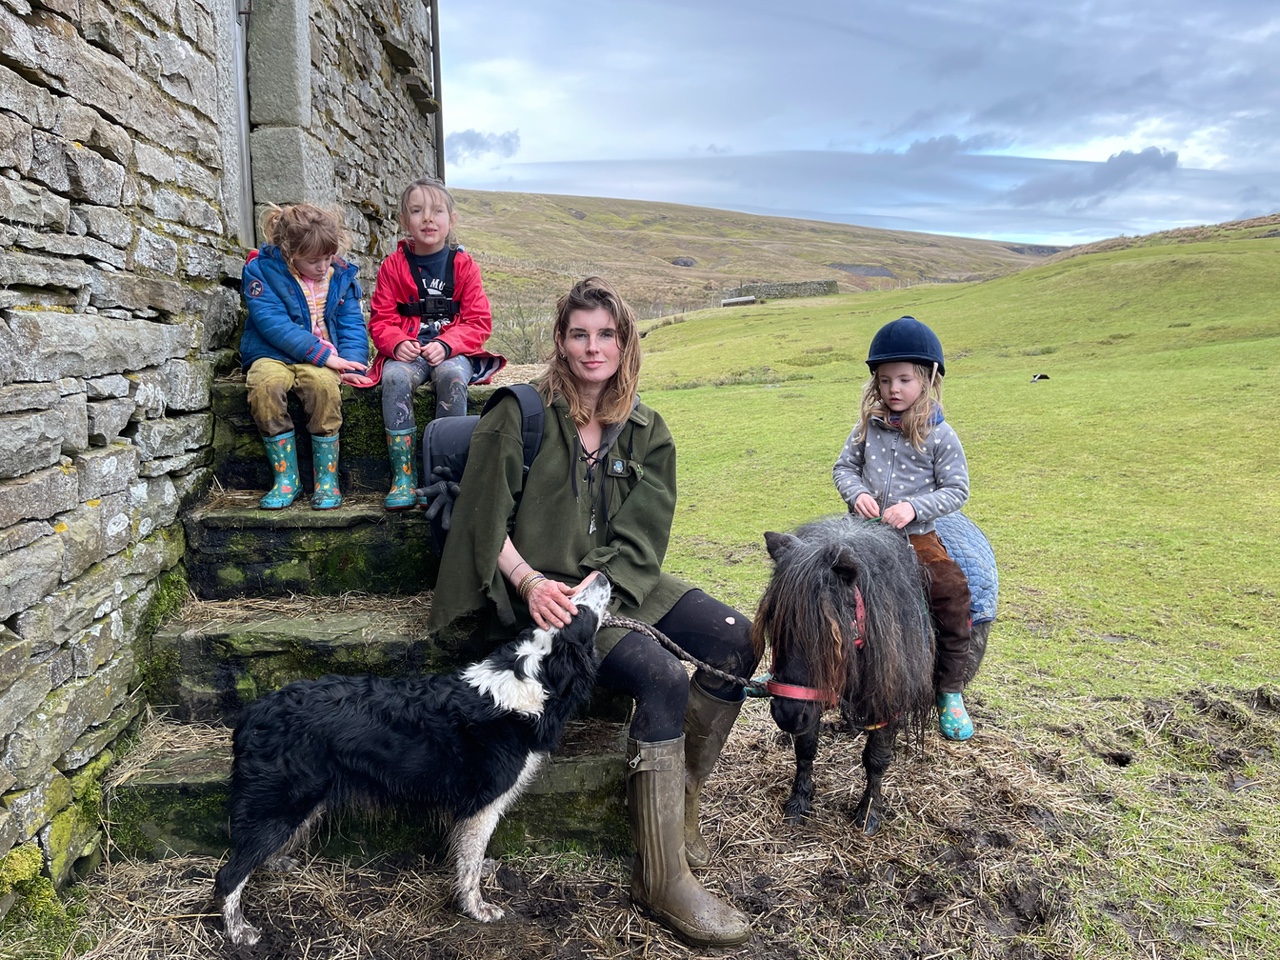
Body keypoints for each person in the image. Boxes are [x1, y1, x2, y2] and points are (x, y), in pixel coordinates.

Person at [428, 277, 756, 947]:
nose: (592, 347)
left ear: (626, 341)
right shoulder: (517, 414)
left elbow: (642, 535)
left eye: (607, 333)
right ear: (559, 340)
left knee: (736, 642)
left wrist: (598, 587)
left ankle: (680, 809)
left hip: (617, 584)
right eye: (579, 333)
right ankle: (660, 878)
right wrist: (530, 585)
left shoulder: (645, 429)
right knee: (661, 675)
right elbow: (482, 524)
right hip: (532, 598)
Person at [832, 315, 976, 741]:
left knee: (952, 594)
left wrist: (914, 508)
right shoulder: (866, 429)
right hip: (864, 535)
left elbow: (957, 489)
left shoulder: (941, 435)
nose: (894, 389)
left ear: (927, 380)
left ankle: (949, 691)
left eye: (904, 379)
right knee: (823, 588)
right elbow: (843, 468)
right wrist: (855, 493)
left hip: (917, 539)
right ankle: (822, 680)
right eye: (885, 380)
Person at [364, 176, 506, 510]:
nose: (428, 218)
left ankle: (447, 476)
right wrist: (397, 342)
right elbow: (381, 320)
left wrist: (447, 344)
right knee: (395, 378)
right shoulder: (392, 267)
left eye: (437, 211)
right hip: (409, 354)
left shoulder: (464, 266)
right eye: (417, 211)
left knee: (452, 378)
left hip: (452, 353)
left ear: (451, 219)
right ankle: (404, 476)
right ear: (404, 221)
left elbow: (478, 322)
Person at [240, 203, 369, 511]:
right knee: (265, 387)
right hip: (272, 353)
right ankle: (286, 478)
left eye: (328, 257)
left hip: (325, 359)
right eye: (314, 260)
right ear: (289, 252)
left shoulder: (340, 275)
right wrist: (323, 354)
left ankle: (326, 478)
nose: (324, 266)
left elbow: (351, 323)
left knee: (324, 388)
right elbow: (273, 323)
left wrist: (351, 362)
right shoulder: (261, 271)